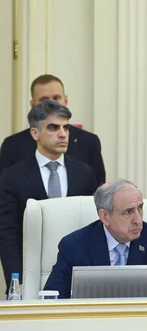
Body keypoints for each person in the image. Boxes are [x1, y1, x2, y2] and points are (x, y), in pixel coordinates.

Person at [0, 101, 97, 288]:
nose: (63, 134)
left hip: (77, 272)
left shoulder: (85, 173)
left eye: (66, 128)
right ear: (35, 133)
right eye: (53, 128)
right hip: (30, 271)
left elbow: (92, 226)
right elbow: (7, 234)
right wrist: (16, 283)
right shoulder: (13, 176)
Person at [43, 179, 147, 298]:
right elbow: (53, 298)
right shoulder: (74, 246)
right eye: (128, 212)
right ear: (105, 216)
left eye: (140, 208)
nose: (138, 220)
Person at [0, 75, 106, 185]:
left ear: (65, 100)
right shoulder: (12, 145)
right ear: (33, 104)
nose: (52, 105)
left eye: (56, 98)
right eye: (44, 100)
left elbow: (99, 189)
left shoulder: (88, 142)